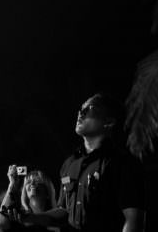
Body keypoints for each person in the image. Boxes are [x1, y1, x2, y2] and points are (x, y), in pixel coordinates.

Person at [18, 93, 144, 232]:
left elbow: (133, 219)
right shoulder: (69, 164)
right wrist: (30, 217)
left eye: (89, 109)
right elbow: (63, 211)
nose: (80, 114)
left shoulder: (122, 163)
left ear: (109, 122)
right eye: (80, 110)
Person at [0, 167, 58, 232]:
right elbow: (1, 222)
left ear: (48, 191)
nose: (32, 183)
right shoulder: (20, 215)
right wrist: (12, 184)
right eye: (28, 182)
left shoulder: (59, 214)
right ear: (25, 192)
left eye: (37, 181)